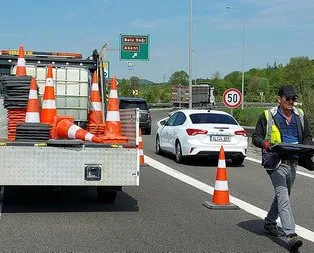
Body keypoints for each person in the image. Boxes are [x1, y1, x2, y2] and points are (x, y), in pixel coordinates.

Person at [252, 84, 313, 252]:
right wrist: (267, 144)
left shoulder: (300, 115)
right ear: (279, 99)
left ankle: (270, 222)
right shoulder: (268, 115)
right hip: (276, 162)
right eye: (287, 98)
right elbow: (255, 137)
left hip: (293, 162)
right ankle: (291, 235)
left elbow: (307, 135)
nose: (291, 101)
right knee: (284, 197)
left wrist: (306, 148)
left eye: (293, 99)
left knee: (283, 195)